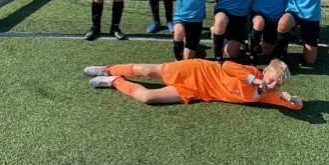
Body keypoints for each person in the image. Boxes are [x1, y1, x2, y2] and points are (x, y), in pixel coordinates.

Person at [83, 58, 303, 110]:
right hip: (196, 70)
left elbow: (297, 105)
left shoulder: (267, 95)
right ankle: (109, 69)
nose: (272, 86)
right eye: (271, 80)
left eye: (277, 85)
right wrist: (254, 80)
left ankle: (114, 81)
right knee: (150, 71)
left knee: (148, 97)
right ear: (265, 72)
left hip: (197, 91)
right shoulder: (251, 72)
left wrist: (292, 99)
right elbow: (227, 65)